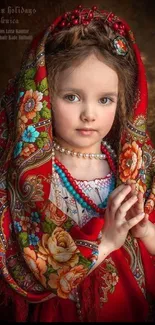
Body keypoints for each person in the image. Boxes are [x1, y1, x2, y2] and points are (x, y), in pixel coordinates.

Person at [0, 4, 155, 322]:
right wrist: (109, 241)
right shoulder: (31, 178)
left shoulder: (132, 168)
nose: (90, 114)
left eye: (105, 99)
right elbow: (42, 271)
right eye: (71, 96)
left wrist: (145, 231)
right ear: (40, 96)